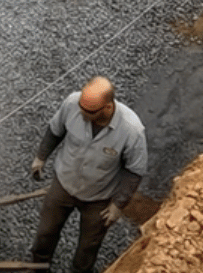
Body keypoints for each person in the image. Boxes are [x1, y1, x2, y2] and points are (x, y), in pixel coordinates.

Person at [29, 75, 148, 272]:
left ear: (108, 108)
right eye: (80, 107)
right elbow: (55, 130)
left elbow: (134, 170)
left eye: (88, 111)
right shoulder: (73, 103)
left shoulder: (131, 131)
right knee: (45, 232)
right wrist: (41, 157)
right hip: (64, 184)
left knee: (88, 246)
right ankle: (38, 265)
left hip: (99, 198)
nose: (80, 113)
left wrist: (118, 205)